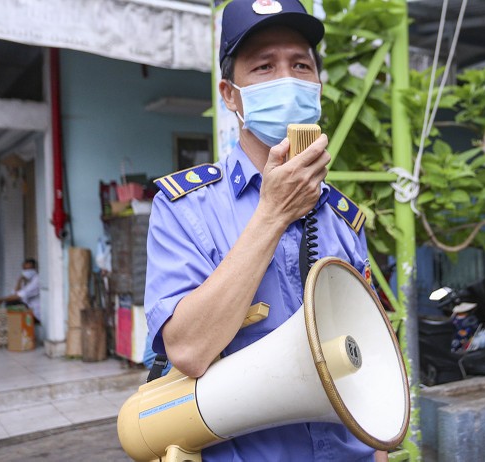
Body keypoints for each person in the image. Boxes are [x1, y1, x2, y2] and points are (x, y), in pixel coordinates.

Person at [144, 0, 382, 460]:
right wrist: (273, 214)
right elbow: (188, 350)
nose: (287, 80)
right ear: (230, 95)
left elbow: (366, 360)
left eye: (300, 65)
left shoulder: (342, 218)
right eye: (264, 67)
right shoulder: (184, 208)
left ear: (317, 84)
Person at [0, 258, 40, 324]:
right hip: (28, 307)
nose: (27, 271)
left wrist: (1, 299)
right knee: (7, 304)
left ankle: (15, 327)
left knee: (10, 304)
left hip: (36, 312)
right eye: (25, 269)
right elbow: (14, 293)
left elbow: (20, 295)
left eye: (30, 269)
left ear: (34, 269)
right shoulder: (24, 280)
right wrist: (20, 279)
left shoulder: (37, 280)